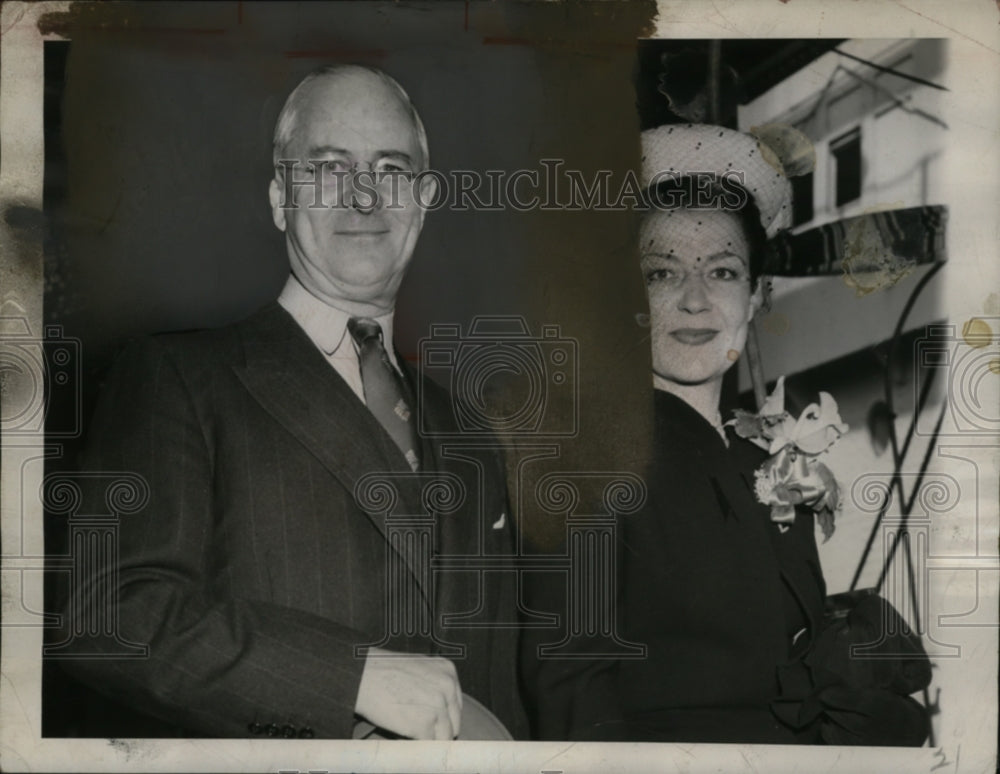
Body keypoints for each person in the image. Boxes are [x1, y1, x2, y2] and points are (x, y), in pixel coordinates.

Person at [56, 65, 526, 741]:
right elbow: (111, 616)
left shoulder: (470, 428)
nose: (364, 196)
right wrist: (351, 677)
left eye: (391, 169)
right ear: (280, 196)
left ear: (423, 199)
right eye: (329, 168)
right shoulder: (178, 377)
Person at [522, 124, 930, 745]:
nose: (694, 301)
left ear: (757, 295)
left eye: (722, 272)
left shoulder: (761, 457)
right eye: (661, 274)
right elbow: (572, 693)